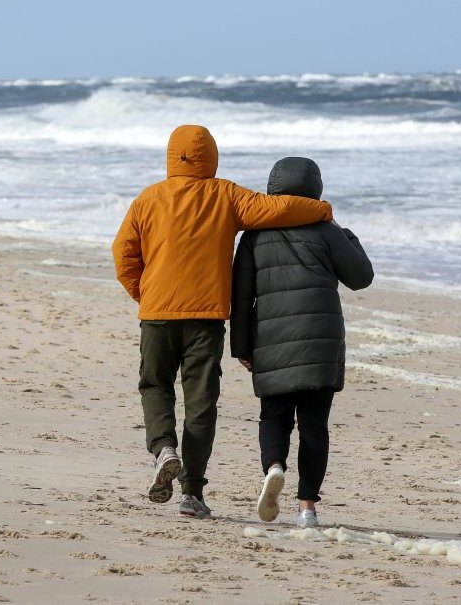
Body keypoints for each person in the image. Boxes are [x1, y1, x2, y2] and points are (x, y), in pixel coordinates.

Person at [112, 126, 334, 520]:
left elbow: (124, 254)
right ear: (211, 156)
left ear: (171, 156)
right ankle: (192, 494)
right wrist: (321, 210)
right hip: (206, 318)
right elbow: (277, 209)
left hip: (157, 314)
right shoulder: (225, 195)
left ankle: (164, 447)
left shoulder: (148, 199)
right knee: (201, 403)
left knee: (156, 385)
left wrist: (144, 295)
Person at [230, 156, 373, 528]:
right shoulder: (327, 231)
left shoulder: (254, 235)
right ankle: (307, 508)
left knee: (274, 416)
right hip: (321, 342)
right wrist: (342, 230)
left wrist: (241, 346)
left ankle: (274, 466)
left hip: (270, 339)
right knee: (314, 425)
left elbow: (241, 296)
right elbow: (361, 276)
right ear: (316, 189)